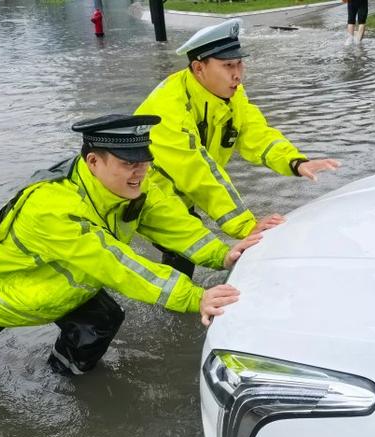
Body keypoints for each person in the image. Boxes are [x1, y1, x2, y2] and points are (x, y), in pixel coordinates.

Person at [0, 114, 261, 376]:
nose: (140, 171)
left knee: (103, 320)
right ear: (93, 161)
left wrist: (222, 253)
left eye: (145, 162)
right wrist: (192, 296)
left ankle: (61, 377)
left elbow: (171, 220)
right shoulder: (52, 207)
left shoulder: (129, 186)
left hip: (61, 287)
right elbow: (115, 263)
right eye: (128, 164)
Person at [134, 19, 340, 276]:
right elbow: (197, 172)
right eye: (228, 65)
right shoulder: (167, 107)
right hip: (141, 191)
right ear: (199, 68)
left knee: (186, 247)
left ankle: (178, 304)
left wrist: (296, 162)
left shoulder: (231, 93)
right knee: (188, 246)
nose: (238, 74)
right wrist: (247, 226)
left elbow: (255, 132)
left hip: (177, 192)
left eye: (240, 63)